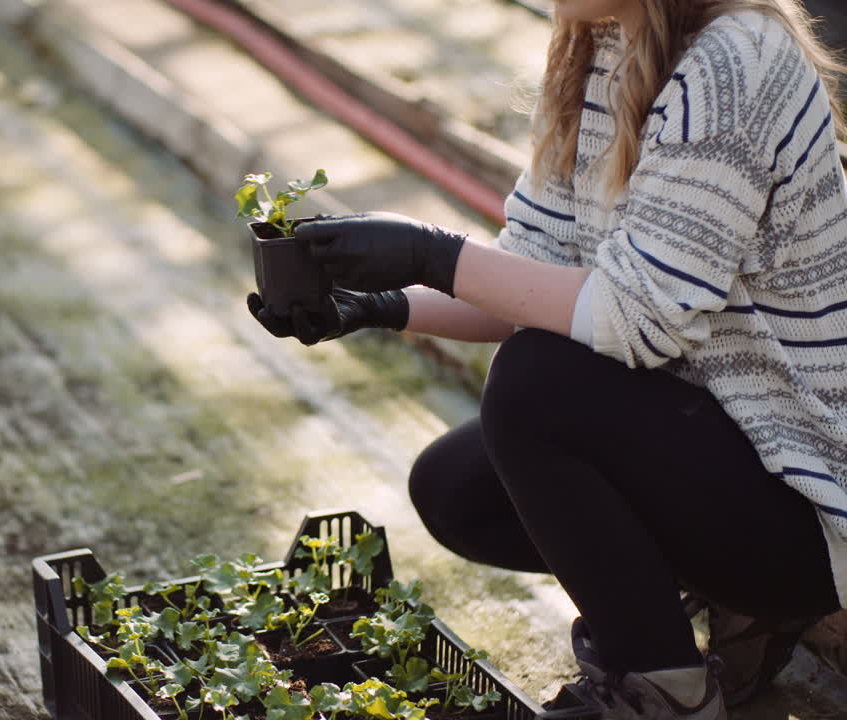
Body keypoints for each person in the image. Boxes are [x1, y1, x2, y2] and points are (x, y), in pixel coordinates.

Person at [247, 1, 847, 718]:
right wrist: (376, 305)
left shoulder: (733, 61)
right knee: (456, 490)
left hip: (806, 496)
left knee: (536, 387)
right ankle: (720, 616)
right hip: (713, 436)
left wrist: (429, 253)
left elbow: (639, 316)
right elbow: (529, 275)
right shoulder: (601, 47)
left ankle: (666, 691)